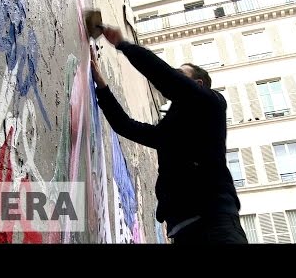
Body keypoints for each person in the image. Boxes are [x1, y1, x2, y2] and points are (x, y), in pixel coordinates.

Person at [90, 26, 248, 244]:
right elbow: (126, 126)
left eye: (181, 74)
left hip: (215, 226)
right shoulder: (171, 132)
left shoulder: (212, 104)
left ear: (198, 84)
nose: (175, 75)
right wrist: (102, 86)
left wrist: (123, 44)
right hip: (183, 233)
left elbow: (166, 78)